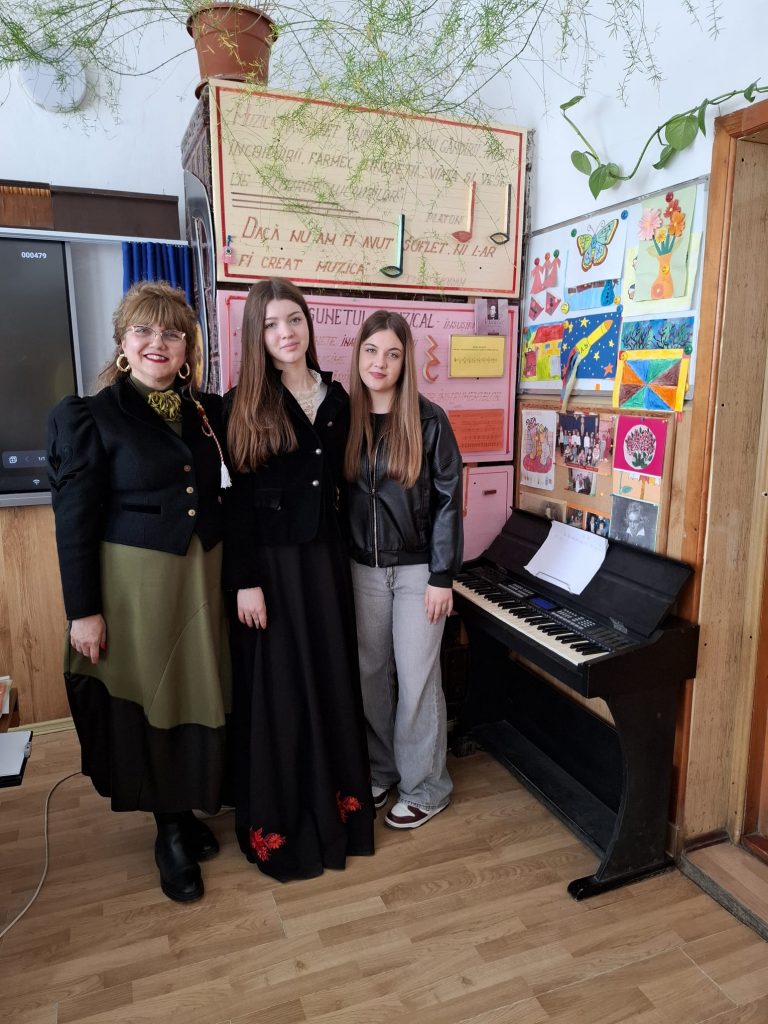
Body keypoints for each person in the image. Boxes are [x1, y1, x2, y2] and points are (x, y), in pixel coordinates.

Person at [47, 281, 231, 904]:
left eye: (172, 333)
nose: (159, 342)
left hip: (201, 579)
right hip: (135, 588)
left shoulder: (207, 412)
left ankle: (185, 806)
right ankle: (169, 828)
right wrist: (83, 612)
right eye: (144, 330)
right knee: (153, 699)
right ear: (122, 343)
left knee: (192, 693)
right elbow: (74, 521)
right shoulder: (90, 416)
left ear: (188, 348)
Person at [223, 277, 374, 881]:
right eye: (270, 324)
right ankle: (284, 821)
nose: (285, 333)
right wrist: (245, 581)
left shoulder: (337, 398)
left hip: (325, 562)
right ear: (255, 335)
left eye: (294, 319)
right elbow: (235, 504)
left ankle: (340, 810)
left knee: (332, 677)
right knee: (282, 690)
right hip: (271, 570)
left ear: (309, 324)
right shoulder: (241, 404)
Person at [344, 311, 463, 829]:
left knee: (417, 678)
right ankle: (381, 769)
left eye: (393, 354)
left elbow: (449, 500)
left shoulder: (429, 420)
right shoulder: (344, 416)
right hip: (362, 569)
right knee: (370, 674)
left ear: (405, 361)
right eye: (372, 351)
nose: (381, 363)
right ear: (358, 354)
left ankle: (427, 785)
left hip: (418, 572)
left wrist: (442, 576)